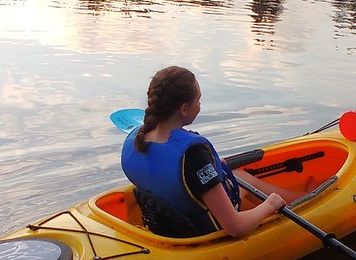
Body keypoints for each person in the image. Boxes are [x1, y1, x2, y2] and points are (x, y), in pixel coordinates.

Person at [121, 66, 291, 238]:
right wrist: (270, 205)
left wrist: (212, 167)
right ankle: (303, 201)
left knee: (242, 177)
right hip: (201, 231)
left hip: (165, 223)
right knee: (254, 186)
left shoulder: (140, 137)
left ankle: (302, 197)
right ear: (184, 109)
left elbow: (173, 173)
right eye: (198, 99)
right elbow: (236, 227)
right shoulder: (193, 157)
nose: (200, 104)